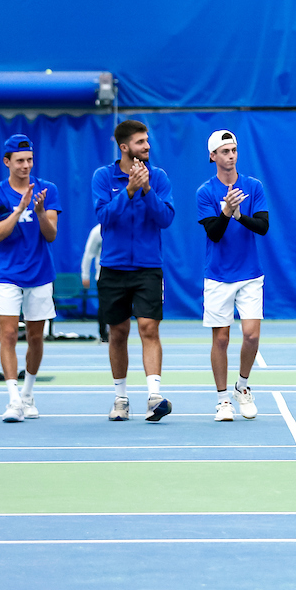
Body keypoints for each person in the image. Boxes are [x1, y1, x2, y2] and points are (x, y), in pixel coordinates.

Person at [92, 119, 175, 422]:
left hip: (148, 267)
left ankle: (154, 396)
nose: (147, 146)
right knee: (118, 333)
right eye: (141, 142)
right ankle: (120, 398)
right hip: (113, 268)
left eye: (147, 141)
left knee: (149, 328)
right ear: (125, 147)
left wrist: (147, 190)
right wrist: (128, 190)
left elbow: (165, 219)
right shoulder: (103, 177)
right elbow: (104, 217)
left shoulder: (159, 177)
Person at [0, 134, 61, 422]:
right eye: (19, 161)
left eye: (29, 160)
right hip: (7, 276)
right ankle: (13, 400)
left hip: (40, 275)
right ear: (7, 162)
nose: (25, 165)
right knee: (9, 334)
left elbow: (51, 234)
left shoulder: (47, 190)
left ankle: (28, 394)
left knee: (36, 337)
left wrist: (39, 212)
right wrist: (19, 210)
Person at [196, 130, 269, 422]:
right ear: (213, 156)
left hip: (250, 274)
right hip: (217, 276)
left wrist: (238, 215)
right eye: (225, 151)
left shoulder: (253, 186)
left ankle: (242, 386)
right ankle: (222, 400)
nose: (231, 155)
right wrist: (226, 211)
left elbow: (262, 227)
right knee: (222, 339)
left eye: (234, 150)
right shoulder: (205, 192)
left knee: (251, 335)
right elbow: (213, 233)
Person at [80, 224, 108, 341]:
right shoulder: (97, 231)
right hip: (103, 276)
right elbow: (88, 254)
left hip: (124, 275)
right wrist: (85, 275)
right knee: (104, 306)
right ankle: (103, 334)